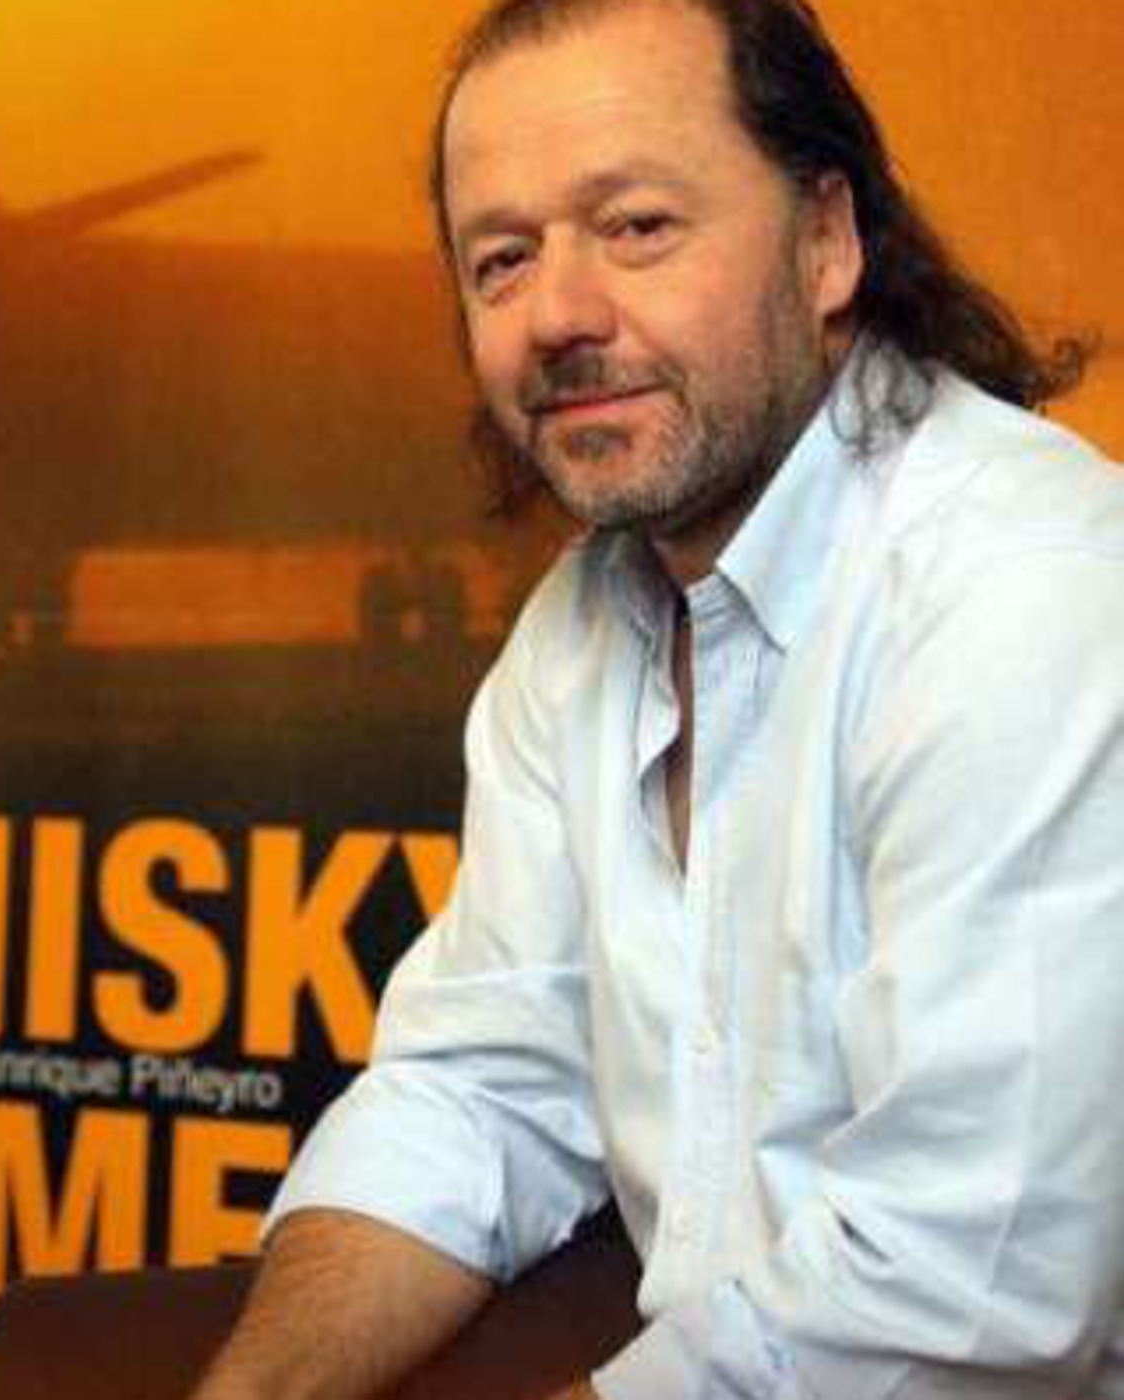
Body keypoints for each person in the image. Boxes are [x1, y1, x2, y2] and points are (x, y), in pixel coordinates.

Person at [191, 0, 1124, 1396]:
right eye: (502, 259)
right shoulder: (574, 634)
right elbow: (477, 1091)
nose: (557, 315)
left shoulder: (1032, 594)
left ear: (828, 241)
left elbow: (970, 1288)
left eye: (636, 227)